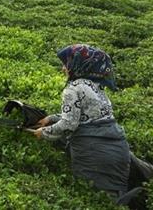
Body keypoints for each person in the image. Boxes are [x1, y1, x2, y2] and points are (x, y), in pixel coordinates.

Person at [31, 44, 131, 201]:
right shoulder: (96, 86)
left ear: (77, 64)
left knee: (91, 200)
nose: (63, 69)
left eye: (66, 64)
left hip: (93, 154)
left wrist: (43, 133)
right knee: (114, 199)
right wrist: (51, 119)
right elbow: (89, 116)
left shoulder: (72, 88)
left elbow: (69, 124)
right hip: (118, 150)